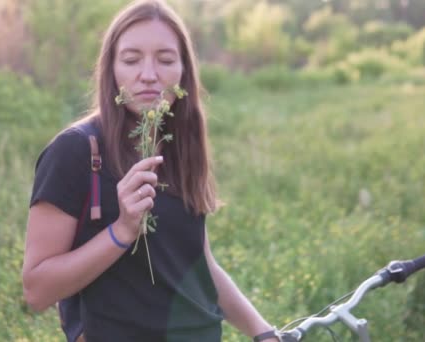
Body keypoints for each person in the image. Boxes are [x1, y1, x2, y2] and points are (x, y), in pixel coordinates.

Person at [22, 1, 280, 341]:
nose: (148, 74)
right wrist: (122, 230)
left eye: (166, 60)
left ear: (184, 71)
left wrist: (264, 333)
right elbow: (37, 291)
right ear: (111, 69)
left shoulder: (179, 146)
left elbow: (199, 264)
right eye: (131, 60)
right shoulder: (75, 151)